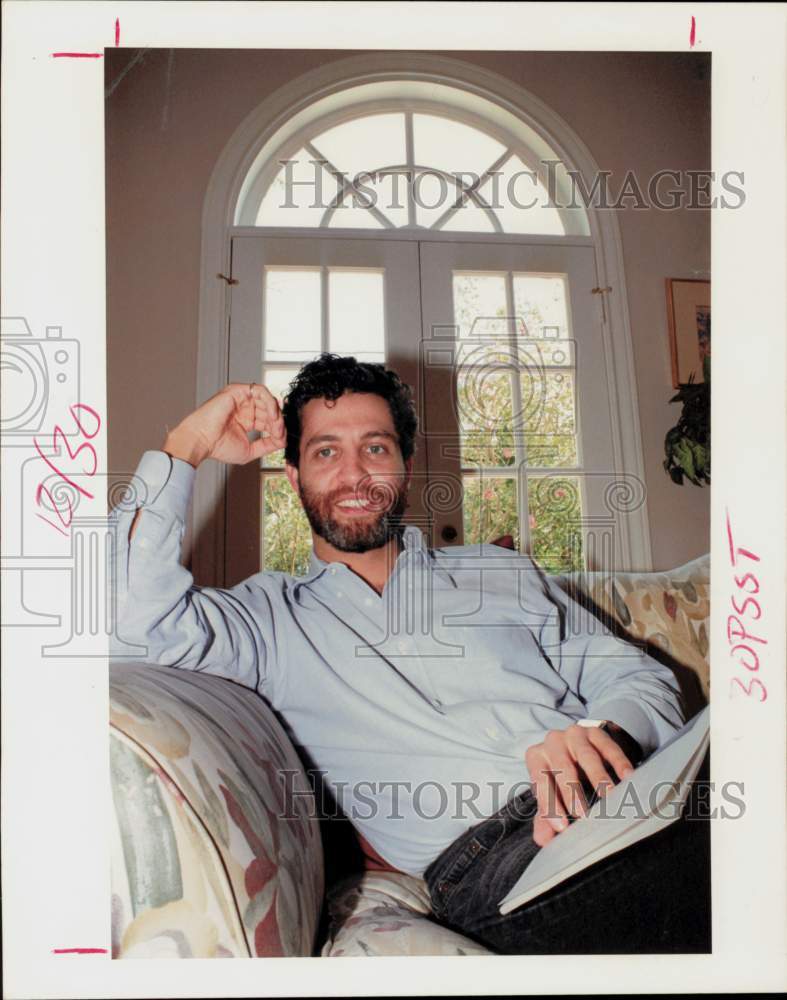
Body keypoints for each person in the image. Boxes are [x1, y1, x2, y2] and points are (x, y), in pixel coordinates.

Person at [113, 353, 710, 954]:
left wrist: (601, 736)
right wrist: (186, 445)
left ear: (406, 465)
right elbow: (121, 624)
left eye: (375, 448)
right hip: (498, 859)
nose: (354, 474)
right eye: (325, 452)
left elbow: (637, 676)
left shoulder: (498, 571)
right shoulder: (266, 621)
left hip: (629, 789)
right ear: (292, 476)